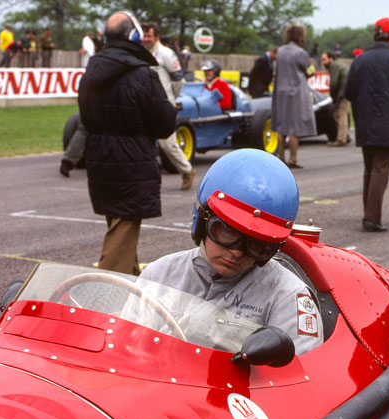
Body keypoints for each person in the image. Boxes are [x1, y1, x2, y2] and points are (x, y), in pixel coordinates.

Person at [140, 149, 323, 356]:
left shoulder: (288, 296)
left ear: (272, 248)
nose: (236, 252)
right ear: (202, 221)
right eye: (227, 232)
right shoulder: (159, 275)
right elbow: (126, 348)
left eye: (257, 244)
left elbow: (299, 376)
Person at [78, 10, 176, 275]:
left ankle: (133, 285)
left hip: (100, 160)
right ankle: (103, 302)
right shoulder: (143, 74)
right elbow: (165, 125)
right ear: (133, 35)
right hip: (132, 161)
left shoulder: (89, 74)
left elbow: (84, 120)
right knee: (121, 235)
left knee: (120, 229)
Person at [344, 16, 389, 232]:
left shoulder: (359, 60)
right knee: (380, 168)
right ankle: (372, 218)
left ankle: (369, 214)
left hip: (365, 120)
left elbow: (348, 92)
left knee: (370, 168)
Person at [142, 21, 196, 191]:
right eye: (144, 35)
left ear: (157, 36)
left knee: (167, 144)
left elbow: (179, 81)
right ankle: (146, 180)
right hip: (145, 105)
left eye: (149, 35)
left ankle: (187, 171)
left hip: (164, 106)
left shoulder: (167, 54)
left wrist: (170, 98)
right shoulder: (141, 53)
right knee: (143, 143)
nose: (146, 39)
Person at [271, 23, 316, 169]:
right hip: (296, 92)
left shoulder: (280, 51)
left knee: (281, 126)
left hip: (280, 92)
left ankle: (281, 157)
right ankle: (293, 159)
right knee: (294, 127)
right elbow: (310, 71)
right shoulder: (300, 52)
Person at [321, 50, 350, 147]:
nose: (323, 62)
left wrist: (333, 98)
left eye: (324, 60)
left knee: (341, 114)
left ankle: (341, 139)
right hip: (345, 90)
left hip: (344, 92)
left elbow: (333, 84)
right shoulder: (337, 65)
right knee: (339, 113)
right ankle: (346, 135)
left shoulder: (333, 66)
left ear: (331, 59)